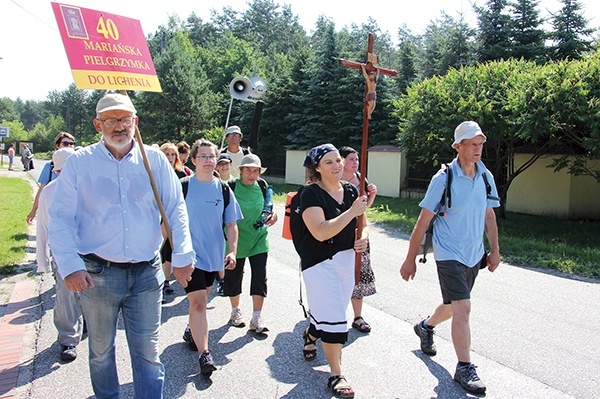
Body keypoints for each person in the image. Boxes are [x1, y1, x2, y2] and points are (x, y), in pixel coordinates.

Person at [48, 92, 195, 399]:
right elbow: (59, 218)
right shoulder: (79, 163)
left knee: (148, 354)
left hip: (146, 273)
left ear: (135, 122)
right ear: (97, 124)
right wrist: (70, 267)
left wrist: (182, 254)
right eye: (110, 120)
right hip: (97, 274)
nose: (119, 126)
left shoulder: (153, 159)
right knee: (101, 351)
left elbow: (175, 208)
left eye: (125, 119)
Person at [400, 121, 500, 394]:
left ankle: (426, 326)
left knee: (455, 306)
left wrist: (494, 250)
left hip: (473, 252)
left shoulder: (485, 177)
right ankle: (464, 367)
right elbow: (422, 222)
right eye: (472, 144)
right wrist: (410, 259)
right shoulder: (443, 178)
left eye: (480, 144)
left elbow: (489, 215)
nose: (478, 149)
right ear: (458, 146)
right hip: (448, 252)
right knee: (464, 307)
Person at [299, 143, 370, 399]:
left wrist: (362, 237)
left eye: (338, 160)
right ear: (317, 168)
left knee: (334, 310)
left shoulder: (351, 190)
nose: (336, 165)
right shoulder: (309, 195)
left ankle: (311, 331)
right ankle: (336, 373)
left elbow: (364, 223)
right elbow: (320, 231)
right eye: (328, 162)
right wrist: (352, 212)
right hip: (319, 263)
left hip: (346, 261)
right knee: (336, 321)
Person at [180, 139, 243, 375]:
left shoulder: (224, 189)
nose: (208, 161)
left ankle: (190, 330)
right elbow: (169, 222)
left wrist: (233, 251)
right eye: (203, 156)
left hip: (214, 255)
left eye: (211, 156)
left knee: (202, 300)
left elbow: (231, 224)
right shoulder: (184, 186)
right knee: (197, 303)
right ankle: (204, 354)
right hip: (190, 256)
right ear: (194, 160)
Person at [36, 146, 84, 362]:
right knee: (66, 295)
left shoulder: (89, 188)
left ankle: (85, 325)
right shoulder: (49, 193)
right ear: (56, 172)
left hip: (90, 251)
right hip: (62, 253)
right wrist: (43, 260)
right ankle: (67, 339)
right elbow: (43, 227)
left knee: (89, 293)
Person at [223, 153, 277, 334]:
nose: (252, 174)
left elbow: (269, 210)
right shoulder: (230, 187)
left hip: (258, 239)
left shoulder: (262, 186)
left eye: (256, 171)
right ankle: (235, 311)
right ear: (241, 171)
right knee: (234, 276)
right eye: (248, 170)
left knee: (260, 276)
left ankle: (256, 316)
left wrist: (273, 217)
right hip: (236, 240)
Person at [339, 146, 378, 333]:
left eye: (357, 159)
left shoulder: (361, 179)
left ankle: (357, 316)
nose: (355, 162)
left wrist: (372, 196)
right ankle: (331, 314)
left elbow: (365, 209)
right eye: (352, 159)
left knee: (358, 275)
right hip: (338, 234)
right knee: (337, 274)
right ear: (342, 161)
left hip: (358, 233)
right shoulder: (334, 180)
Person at [159, 142, 189, 298]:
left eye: (172, 155)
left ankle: (165, 281)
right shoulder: (154, 173)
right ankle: (158, 281)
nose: (170, 158)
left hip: (173, 218)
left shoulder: (182, 176)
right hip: (156, 218)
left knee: (170, 250)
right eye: (166, 154)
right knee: (159, 251)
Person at [27, 132, 76, 224]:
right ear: (58, 145)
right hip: (53, 209)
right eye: (66, 143)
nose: (69, 146)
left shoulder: (79, 165)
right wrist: (33, 211)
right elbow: (42, 190)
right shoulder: (49, 166)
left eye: (72, 144)